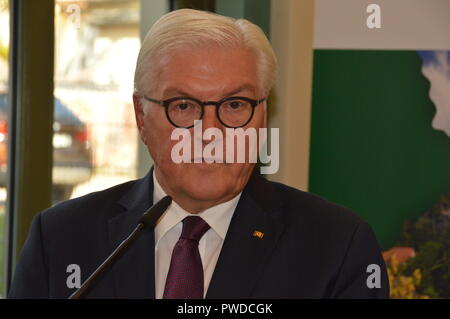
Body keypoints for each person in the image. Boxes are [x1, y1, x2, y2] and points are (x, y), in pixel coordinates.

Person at [8, 9, 389, 299]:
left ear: (262, 114)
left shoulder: (337, 246)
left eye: (235, 104)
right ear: (142, 115)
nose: (210, 133)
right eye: (185, 106)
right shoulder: (60, 238)